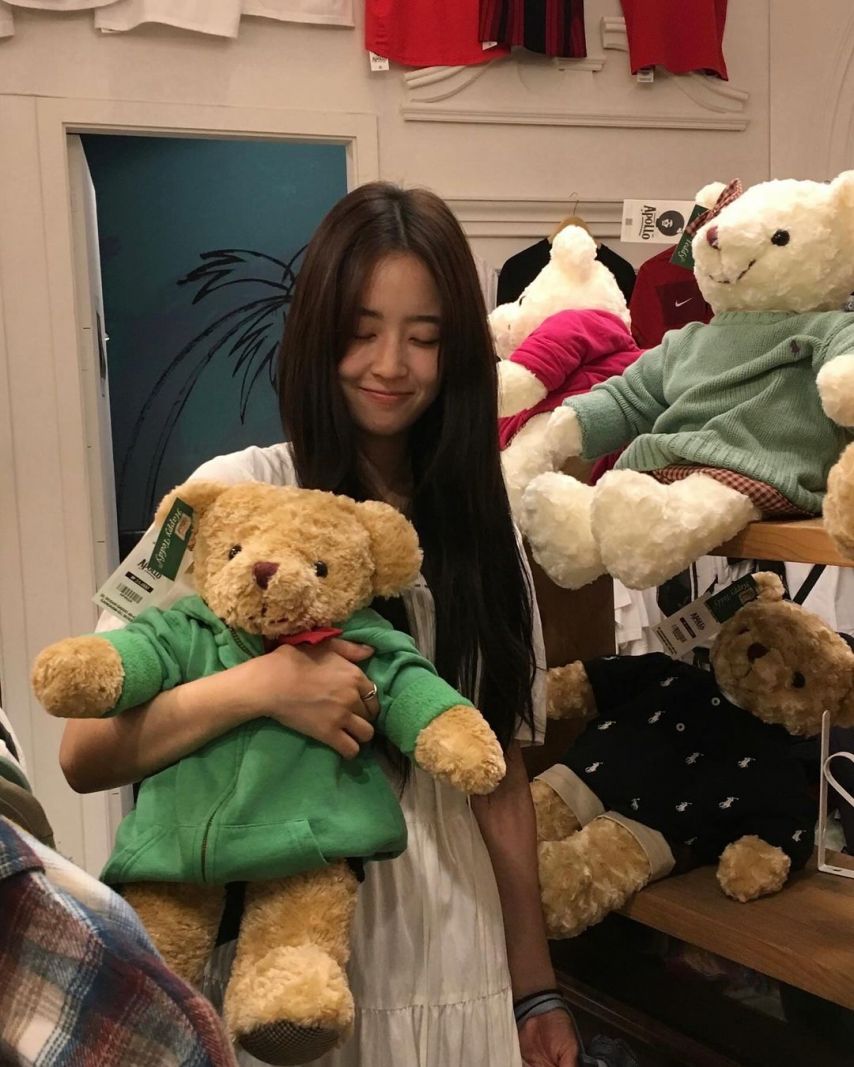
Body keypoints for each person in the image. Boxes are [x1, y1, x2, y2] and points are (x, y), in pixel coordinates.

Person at [59, 182, 580, 1067]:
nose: (391, 364)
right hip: (290, 948)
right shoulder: (232, 496)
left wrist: (536, 987)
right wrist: (264, 687)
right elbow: (84, 751)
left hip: (457, 947)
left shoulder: (480, 523)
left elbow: (500, 775)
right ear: (316, 332)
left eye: (424, 337)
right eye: (362, 330)